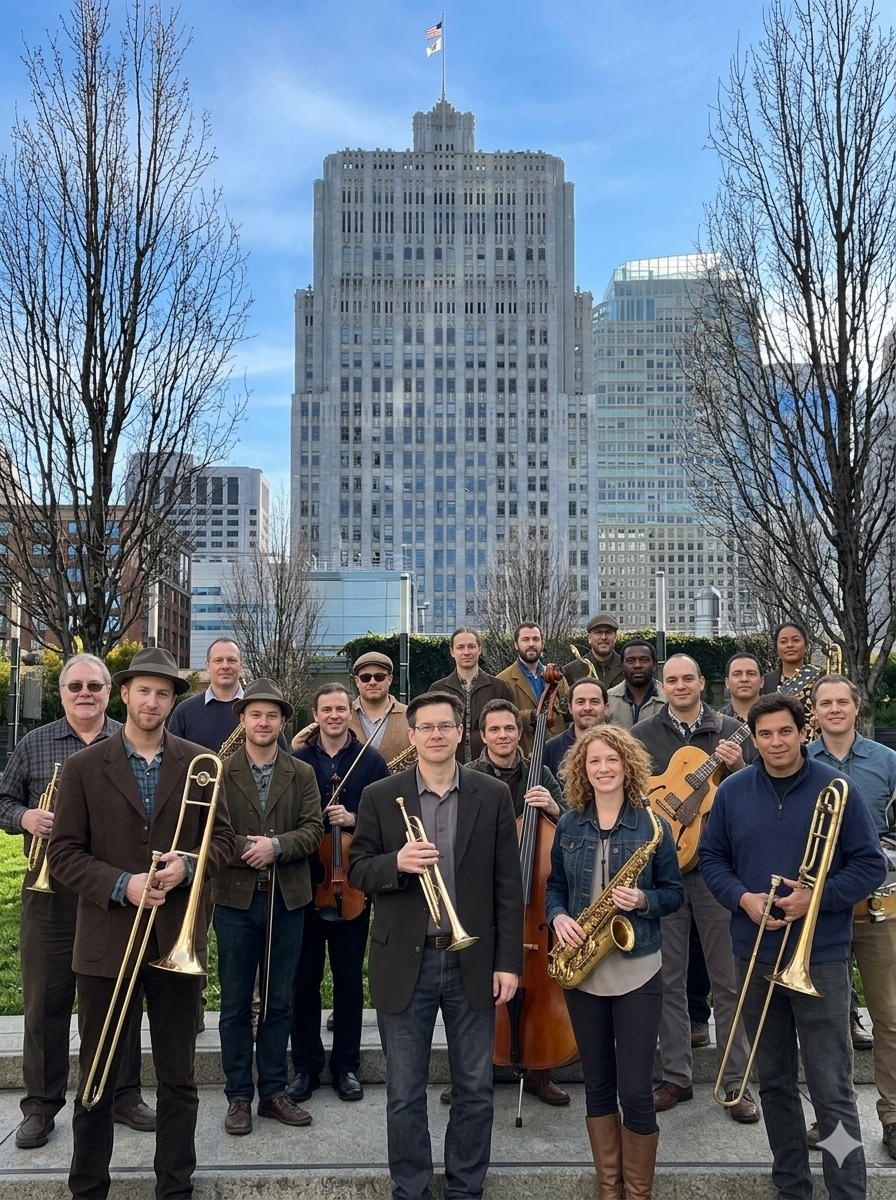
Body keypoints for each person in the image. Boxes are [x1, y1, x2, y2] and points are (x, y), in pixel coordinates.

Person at [47, 646, 235, 1200]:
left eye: (163, 693)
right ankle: (88, 1188)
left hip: (177, 941)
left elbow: (223, 839)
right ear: (123, 694)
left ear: (172, 701)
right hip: (107, 941)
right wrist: (122, 884)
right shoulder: (83, 767)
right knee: (98, 1074)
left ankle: (174, 1187)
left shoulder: (201, 762)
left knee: (179, 1078)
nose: (152, 701)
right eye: (143, 690)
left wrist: (190, 865)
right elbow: (63, 854)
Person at [701, 693, 887, 1200]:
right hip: (755, 954)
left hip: (820, 959)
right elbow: (712, 860)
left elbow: (871, 866)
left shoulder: (837, 787)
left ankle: (847, 1190)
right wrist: (744, 899)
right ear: (753, 739)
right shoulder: (733, 791)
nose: (775, 742)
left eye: (785, 732)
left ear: (802, 732)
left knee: (834, 1090)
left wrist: (817, 898)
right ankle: (792, 1188)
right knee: (775, 1084)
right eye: (765, 734)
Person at [348, 691, 523, 1200]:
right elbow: (358, 869)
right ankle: (412, 1189)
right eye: (426, 727)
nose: (437, 735)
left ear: (460, 731)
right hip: (406, 960)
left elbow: (507, 888)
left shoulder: (491, 795)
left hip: (472, 959)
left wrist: (508, 962)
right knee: (403, 1092)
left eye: (446, 726)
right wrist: (395, 864)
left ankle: (466, 1188)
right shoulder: (381, 795)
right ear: (415, 734)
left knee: (475, 1088)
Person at [0, 653, 153, 1149]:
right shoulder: (35, 742)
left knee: (119, 996)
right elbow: (2, 801)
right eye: (74, 686)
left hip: (113, 888)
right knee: (46, 997)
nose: (85, 693)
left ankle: (123, 1093)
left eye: (95, 685)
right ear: (62, 692)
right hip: (51, 891)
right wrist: (24, 818)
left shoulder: (127, 740)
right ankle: (42, 1106)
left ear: (112, 692)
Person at [546, 724, 684, 1200]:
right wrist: (559, 916)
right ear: (582, 770)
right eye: (594, 762)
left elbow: (674, 894)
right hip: (583, 969)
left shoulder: (653, 826)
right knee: (598, 1083)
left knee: (635, 1088)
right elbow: (554, 888)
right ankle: (610, 1187)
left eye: (612, 760)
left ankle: (638, 1192)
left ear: (628, 765)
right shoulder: (569, 823)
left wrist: (642, 900)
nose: (603, 769)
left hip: (638, 967)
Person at [631, 654, 758, 1122]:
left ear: (703, 683)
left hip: (718, 871)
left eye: (688, 678)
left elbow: (757, 793)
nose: (680, 686)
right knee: (667, 979)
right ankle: (676, 1078)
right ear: (662, 686)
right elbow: (630, 793)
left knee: (727, 979)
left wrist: (740, 765)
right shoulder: (643, 735)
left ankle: (736, 1083)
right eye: (672, 680)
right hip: (664, 871)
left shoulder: (729, 730)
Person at [213, 679, 324, 1135]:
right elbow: (210, 830)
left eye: (272, 715)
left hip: (287, 899)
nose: (264, 722)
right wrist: (247, 848)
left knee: (280, 1001)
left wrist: (277, 846)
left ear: (282, 722)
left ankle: (273, 1092)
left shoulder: (302, 773)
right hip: (236, 900)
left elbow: (314, 829)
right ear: (242, 720)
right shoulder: (218, 770)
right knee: (236, 1003)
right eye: (255, 715)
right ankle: (239, 1096)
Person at [462, 697, 567, 1107]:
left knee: (540, 981)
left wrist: (553, 807)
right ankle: (473, 1070)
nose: (503, 736)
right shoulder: (468, 774)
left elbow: (573, 823)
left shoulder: (538, 772)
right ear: (483, 736)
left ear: (520, 733)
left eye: (510, 729)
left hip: (535, 901)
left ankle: (541, 1069)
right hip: (483, 892)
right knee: (473, 984)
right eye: (494, 730)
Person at [807, 675, 896, 1155]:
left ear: (857, 708)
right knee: (828, 1023)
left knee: (890, 1016)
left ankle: (894, 1116)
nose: (835, 709)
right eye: (826, 703)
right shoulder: (801, 761)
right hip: (821, 912)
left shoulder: (888, 762)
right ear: (815, 711)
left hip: (879, 906)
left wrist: (879, 853)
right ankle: (832, 1121)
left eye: (843, 702)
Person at [289, 684, 389, 1104]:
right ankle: (306, 1067)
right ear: (315, 714)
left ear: (351, 712)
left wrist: (354, 818)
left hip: (350, 889)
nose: (334, 715)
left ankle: (347, 1065)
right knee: (303, 983)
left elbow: (388, 821)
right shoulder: (297, 762)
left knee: (349, 982)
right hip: (306, 888)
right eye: (325, 709)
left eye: (340, 709)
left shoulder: (371, 762)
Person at [428, 627, 515, 764]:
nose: (466, 652)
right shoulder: (437, 689)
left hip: (491, 768)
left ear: (479, 649)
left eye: (471, 646)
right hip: (449, 766)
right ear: (452, 652)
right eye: (460, 647)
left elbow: (511, 728)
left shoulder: (500, 687)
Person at [498, 622, 569, 757]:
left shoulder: (557, 676)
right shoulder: (503, 680)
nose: (531, 644)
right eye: (525, 639)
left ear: (543, 644)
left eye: (536, 639)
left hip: (558, 752)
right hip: (525, 752)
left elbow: (567, 712)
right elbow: (500, 719)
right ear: (516, 645)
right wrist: (530, 716)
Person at [167, 637, 245, 751]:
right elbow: (171, 758)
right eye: (218, 660)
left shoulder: (259, 710)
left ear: (241, 665)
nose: (225, 666)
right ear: (207, 666)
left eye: (232, 660)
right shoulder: (184, 711)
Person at [347, 651, 409, 767]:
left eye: (379, 677)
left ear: (389, 679)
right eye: (365, 677)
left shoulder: (410, 715)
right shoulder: (342, 716)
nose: (372, 682)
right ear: (357, 681)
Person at [761, 621, 823, 732]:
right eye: (783, 641)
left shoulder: (821, 677)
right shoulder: (766, 682)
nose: (790, 645)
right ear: (776, 648)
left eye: (796, 640)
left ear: (806, 646)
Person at [544, 678, 610, 782]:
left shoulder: (622, 746)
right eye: (580, 702)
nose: (587, 708)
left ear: (606, 708)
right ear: (570, 708)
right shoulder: (550, 749)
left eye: (594, 702)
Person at [606, 641, 664, 730]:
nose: (637, 665)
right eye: (630, 661)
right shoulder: (608, 699)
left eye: (644, 660)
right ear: (622, 666)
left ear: (654, 665)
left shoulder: (668, 699)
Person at [562, 614, 624, 689]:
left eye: (608, 632)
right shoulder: (571, 670)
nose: (603, 637)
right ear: (589, 638)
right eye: (598, 632)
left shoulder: (626, 668)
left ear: (615, 637)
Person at [719, 653, 763, 723]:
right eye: (737, 674)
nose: (744, 679)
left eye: (751, 674)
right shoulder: (716, 722)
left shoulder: (777, 717)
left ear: (761, 682)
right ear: (727, 683)